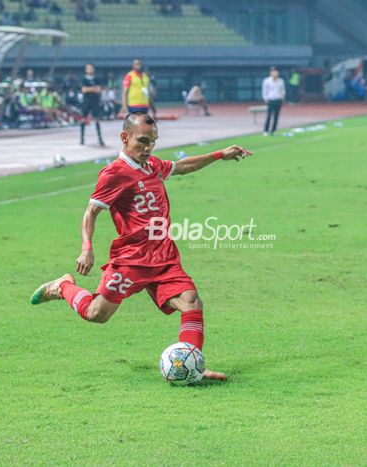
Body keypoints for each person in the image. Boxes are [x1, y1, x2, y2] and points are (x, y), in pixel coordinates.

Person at [30, 112, 253, 382]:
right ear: (125, 137)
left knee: (192, 303)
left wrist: (219, 155)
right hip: (132, 259)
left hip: (163, 256)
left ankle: (192, 366)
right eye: (143, 141)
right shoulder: (114, 173)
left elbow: (182, 166)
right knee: (96, 314)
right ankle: (63, 286)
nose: (148, 148)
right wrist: (87, 248)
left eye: (153, 142)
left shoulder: (153, 166)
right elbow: (91, 212)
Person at [80, 63, 105, 146]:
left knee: (97, 119)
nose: (89, 69)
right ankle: (82, 138)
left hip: (95, 101)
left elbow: (99, 89)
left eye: (91, 68)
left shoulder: (97, 79)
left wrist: (89, 89)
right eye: (88, 68)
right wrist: (93, 89)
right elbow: (83, 90)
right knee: (83, 118)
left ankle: (100, 139)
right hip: (86, 101)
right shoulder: (83, 79)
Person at [261, 66, 285, 136]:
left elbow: (283, 90)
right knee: (269, 115)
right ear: (270, 73)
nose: (275, 73)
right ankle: (266, 130)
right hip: (271, 99)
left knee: (276, 116)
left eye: (276, 72)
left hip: (278, 99)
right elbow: (264, 90)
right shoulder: (267, 81)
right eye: (273, 72)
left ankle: (273, 130)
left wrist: (283, 98)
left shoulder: (281, 81)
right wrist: (265, 98)